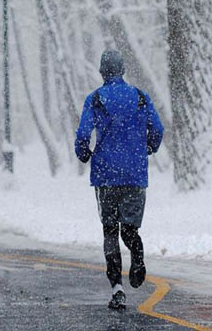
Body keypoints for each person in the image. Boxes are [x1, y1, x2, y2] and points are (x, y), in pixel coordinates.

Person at [75, 49, 164, 311]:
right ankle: (137, 252)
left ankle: (117, 288)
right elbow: (157, 129)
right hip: (135, 174)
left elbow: (83, 134)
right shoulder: (140, 97)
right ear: (122, 70)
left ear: (103, 72)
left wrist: (84, 153)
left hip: (106, 175)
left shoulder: (96, 99)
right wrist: (147, 147)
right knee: (129, 229)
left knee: (110, 230)